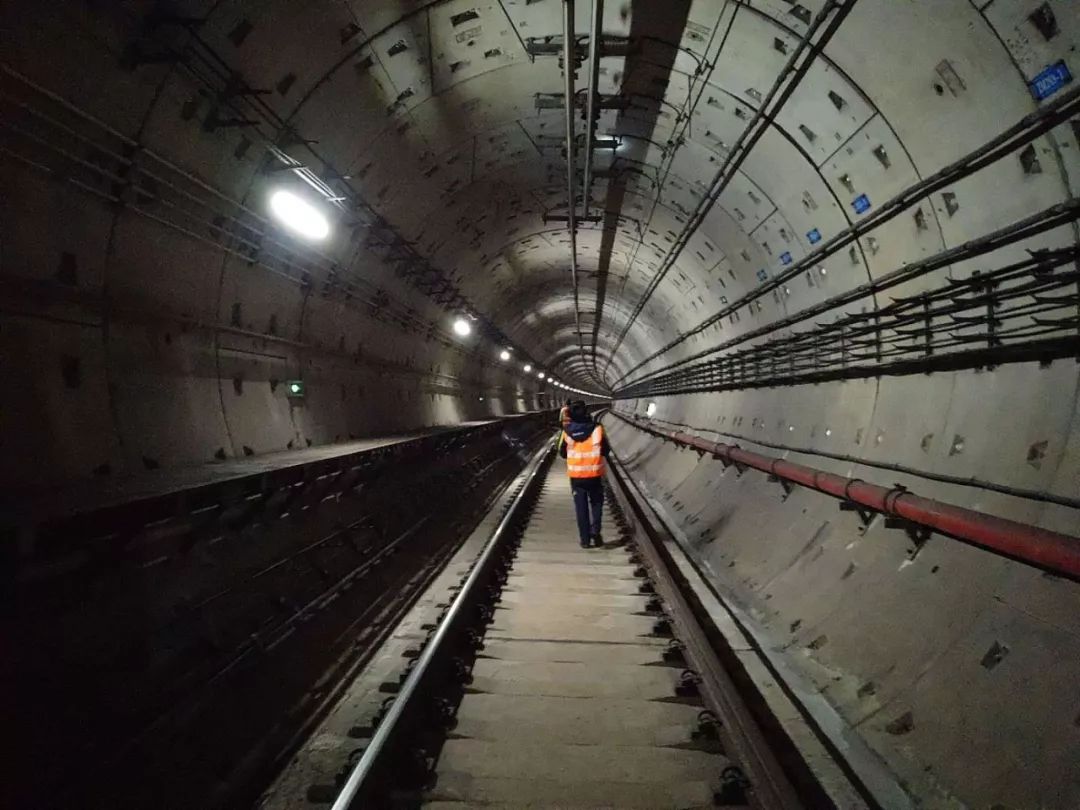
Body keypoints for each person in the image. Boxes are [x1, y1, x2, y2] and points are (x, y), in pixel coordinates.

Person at [559, 401, 611, 549]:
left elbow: (562, 453)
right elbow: (606, 450)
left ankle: (585, 540)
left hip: (576, 477)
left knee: (580, 508)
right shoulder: (597, 429)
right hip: (594, 474)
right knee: (597, 503)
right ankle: (595, 531)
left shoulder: (567, 431)